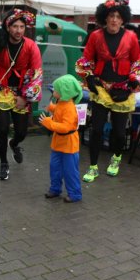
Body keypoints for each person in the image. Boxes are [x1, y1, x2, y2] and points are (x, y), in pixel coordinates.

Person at [76, 0, 140, 182]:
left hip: (122, 89)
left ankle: (116, 158)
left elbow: (137, 64)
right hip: (101, 88)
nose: (114, 20)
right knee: (96, 129)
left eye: (117, 16)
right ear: (104, 18)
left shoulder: (131, 37)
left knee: (119, 133)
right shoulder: (95, 36)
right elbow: (86, 60)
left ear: (123, 19)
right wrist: (89, 77)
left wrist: (132, 83)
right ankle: (93, 167)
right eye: (110, 16)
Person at [0, 9, 42, 180]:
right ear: (8, 27)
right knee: (3, 128)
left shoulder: (31, 46)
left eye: (22, 26)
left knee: (21, 132)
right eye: (15, 26)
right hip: (1, 91)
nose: (18, 30)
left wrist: (25, 97)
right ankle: (3, 163)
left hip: (21, 92)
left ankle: (14, 144)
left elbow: (36, 73)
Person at [39, 74, 83, 203]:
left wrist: (49, 123)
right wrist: (52, 107)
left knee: (70, 171)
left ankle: (75, 194)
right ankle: (55, 189)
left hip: (69, 144)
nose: (54, 91)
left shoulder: (69, 107)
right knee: (55, 167)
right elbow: (59, 110)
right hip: (59, 142)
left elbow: (66, 127)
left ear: (64, 92)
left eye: (56, 90)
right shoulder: (63, 102)